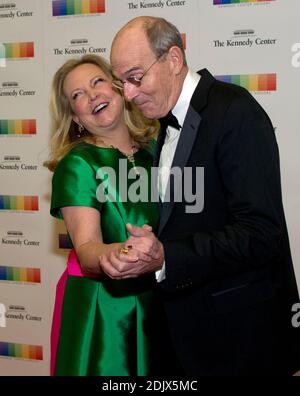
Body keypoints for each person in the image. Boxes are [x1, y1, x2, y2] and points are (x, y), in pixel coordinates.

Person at [109, 16, 300, 375]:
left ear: (174, 60)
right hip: (183, 335)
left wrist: (168, 256)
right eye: (122, 83)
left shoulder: (234, 111)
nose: (129, 95)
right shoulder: (163, 124)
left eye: (136, 77)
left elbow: (262, 233)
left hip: (237, 340)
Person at [45, 54, 171, 376]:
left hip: (157, 304)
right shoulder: (78, 164)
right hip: (104, 310)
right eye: (78, 96)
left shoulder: (154, 153)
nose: (92, 96)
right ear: (75, 117)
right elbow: (87, 250)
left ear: (118, 88)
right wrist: (123, 253)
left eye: (97, 82)